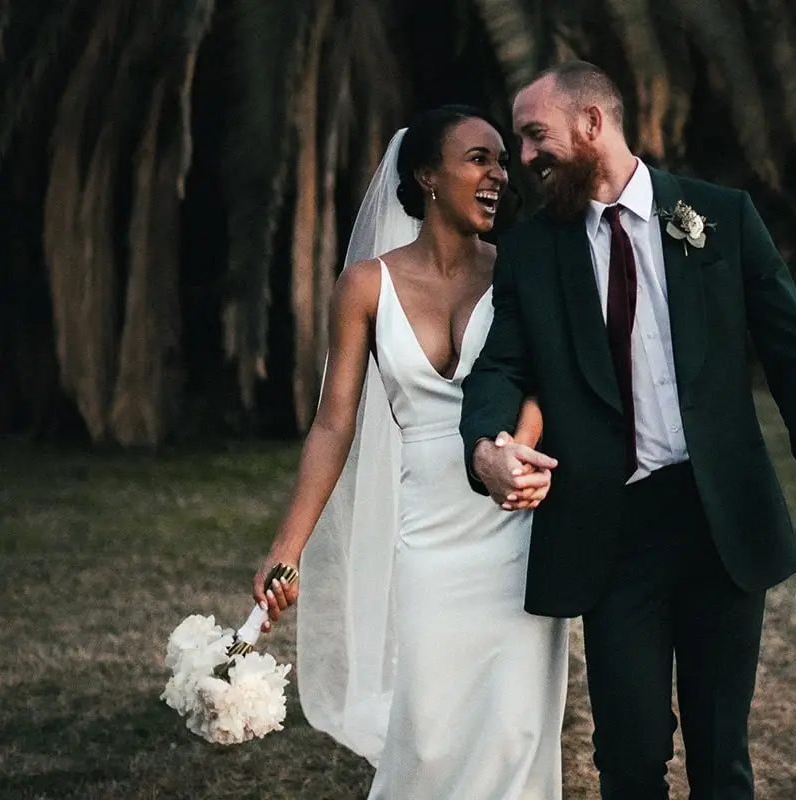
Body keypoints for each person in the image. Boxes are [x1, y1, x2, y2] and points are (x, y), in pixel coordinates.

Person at [461, 62, 796, 799]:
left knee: (721, 755)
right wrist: (487, 446)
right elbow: (500, 367)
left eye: (533, 134)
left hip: (720, 517)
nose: (524, 157)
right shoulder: (533, 249)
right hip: (613, 529)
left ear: (592, 124)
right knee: (630, 752)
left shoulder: (722, 216)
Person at [252, 105, 569, 799]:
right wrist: (288, 547)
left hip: (514, 521)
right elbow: (334, 425)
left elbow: (547, 381)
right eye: (478, 159)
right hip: (427, 536)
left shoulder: (518, 269)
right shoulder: (366, 285)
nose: (498, 174)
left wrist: (518, 452)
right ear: (427, 175)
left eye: (502, 161)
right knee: (427, 734)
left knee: (517, 730)